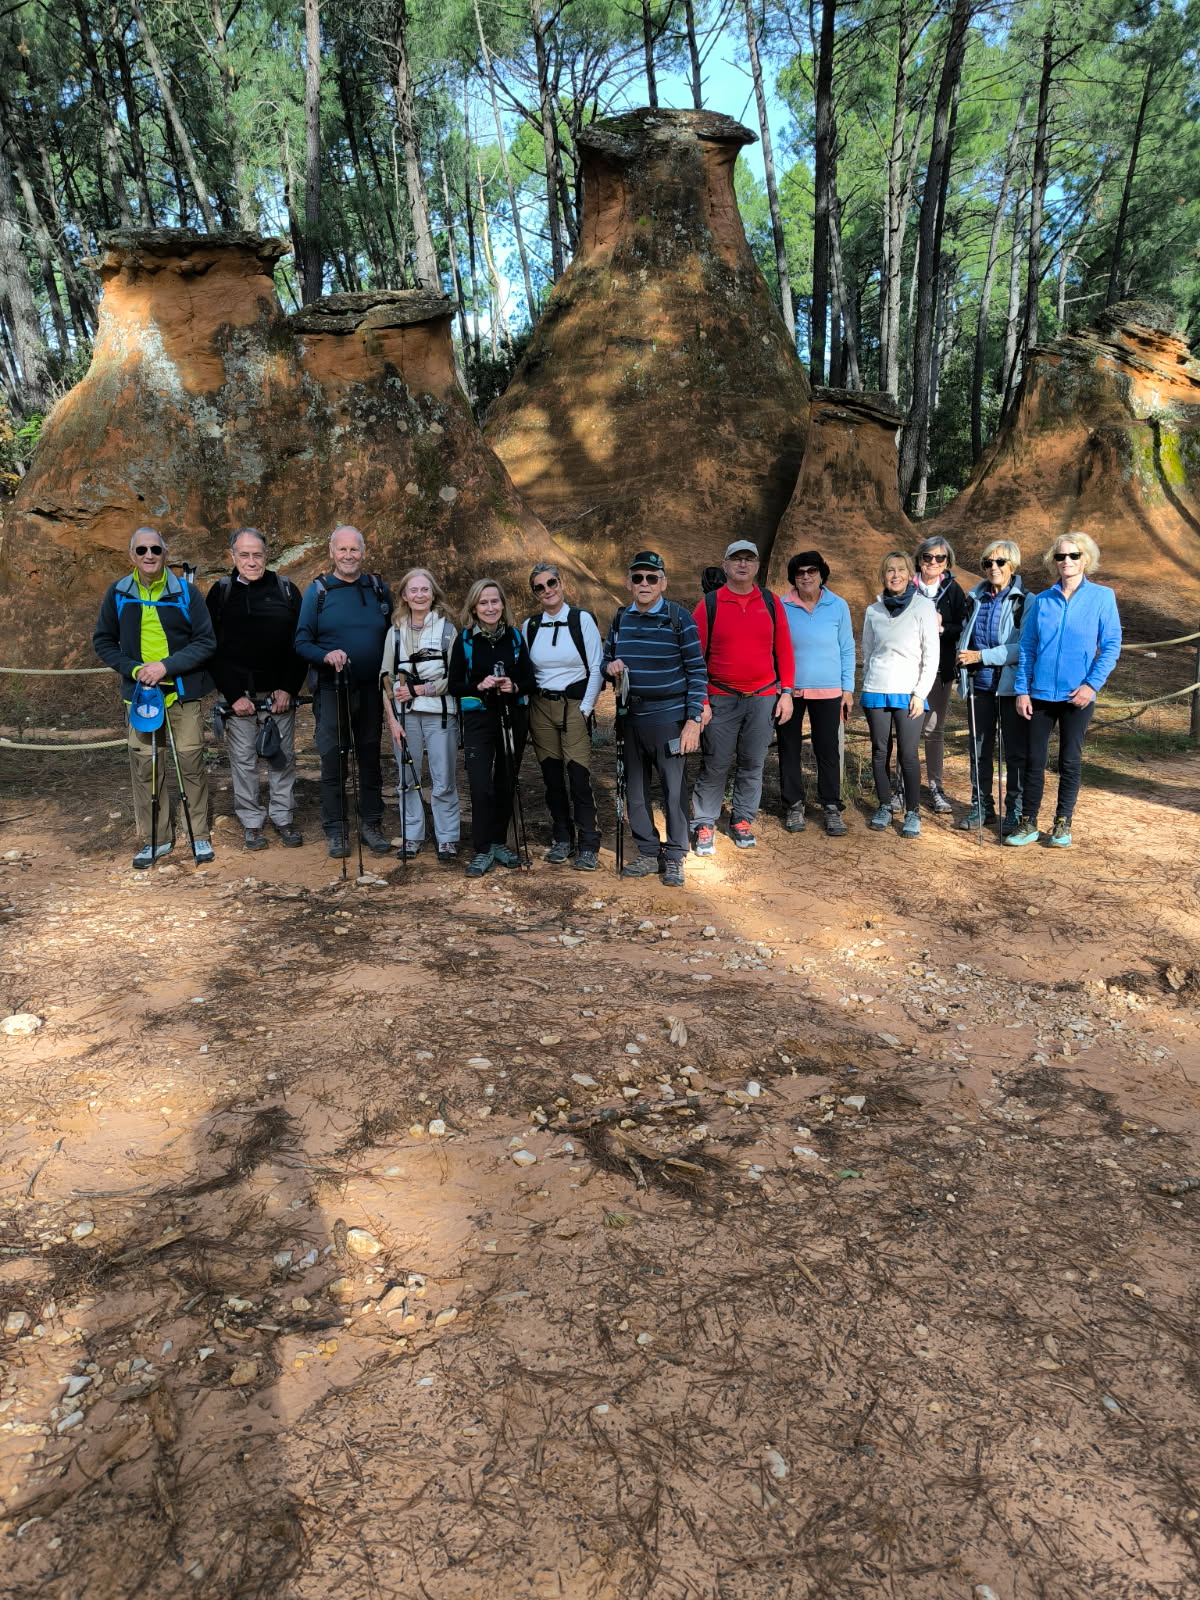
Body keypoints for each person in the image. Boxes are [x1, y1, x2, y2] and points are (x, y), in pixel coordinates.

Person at [93, 527, 217, 868]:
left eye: (155, 549)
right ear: (131, 555)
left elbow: (206, 641)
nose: (149, 555)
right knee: (146, 766)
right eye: (142, 550)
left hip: (181, 692)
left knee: (190, 762)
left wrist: (166, 666)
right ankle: (156, 839)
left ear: (165, 553)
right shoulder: (119, 593)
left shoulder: (185, 592)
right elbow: (103, 641)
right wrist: (134, 669)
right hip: (140, 695)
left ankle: (199, 834)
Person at [1008, 532, 1121, 848]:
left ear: (1086, 559)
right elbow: (1028, 646)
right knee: (1034, 760)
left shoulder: (1102, 597)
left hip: (1077, 696)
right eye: (1060, 556)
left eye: (1073, 555)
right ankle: (1028, 821)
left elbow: (1111, 646)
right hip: (1039, 694)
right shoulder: (1043, 600)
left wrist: (1091, 685)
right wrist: (1022, 690)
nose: (1066, 561)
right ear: (1053, 561)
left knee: (1069, 761)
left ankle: (1062, 822)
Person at [603, 550, 706, 886]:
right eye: (638, 578)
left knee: (674, 790)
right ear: (628, 583)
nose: (644, 583)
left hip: (669, 719)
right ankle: (648, 851)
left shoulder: (679, 618)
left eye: (651, 577)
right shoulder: (620, 619)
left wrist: (693, 720)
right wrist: (609, 667)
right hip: (630, 716)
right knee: (634, 790)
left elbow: (697, 671)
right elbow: (606, 659)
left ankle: (675, 855)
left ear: (663, 582)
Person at [294, 525, 394, 858]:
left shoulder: (378, 589)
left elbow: (393, 634)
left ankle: (371, 824)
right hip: (331, 688)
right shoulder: (318, 592)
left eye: (354, 549)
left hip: (371, 690)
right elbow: (301, 642)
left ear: (363, 552)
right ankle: (336, 829)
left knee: (370, 758)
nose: (348, 555)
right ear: (331, 552)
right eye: (342, 549)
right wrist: (326, 656)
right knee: (334, 760)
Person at [690, 539, 793, 853]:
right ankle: (704, 822)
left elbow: (784, 649)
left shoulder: (770, 602)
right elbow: (695, 659)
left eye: (749, 559)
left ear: (757, 566)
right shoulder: (710, 604)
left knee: (752, 763)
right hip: (721, 696)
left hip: (763, 697)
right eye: (736, 559)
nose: (743, 564)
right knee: (716, 762)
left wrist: (786, 692)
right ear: (725, 565)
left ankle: (742, 819)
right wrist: (702, 701)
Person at [206, 527, 305, 851]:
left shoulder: (286, 590)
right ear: (233, 556)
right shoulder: (221, 593)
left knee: (282, 759)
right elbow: (211, 648)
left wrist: (287, 688)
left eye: (257, 554)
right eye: (244, 555)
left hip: (279, 696)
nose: (251, 561)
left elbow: (299, 643)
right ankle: (251, 822)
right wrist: (233, 695)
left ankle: (283, 817)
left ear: (266, 555)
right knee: (243, 761)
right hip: (238, 697)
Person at [447, 578, 536, 878]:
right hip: (479, 719)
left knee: (506, 781)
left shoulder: (514, 637)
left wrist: (514, 685)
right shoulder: (466, 640)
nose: (489, 607)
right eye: (483, 602)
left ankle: (498, 842)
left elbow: (530, 679)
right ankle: (482, 848)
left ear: (502, 604)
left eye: (494, 601)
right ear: (474, 607)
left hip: (512, 717)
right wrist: (480, 684)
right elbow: (455, 685)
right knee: (480, 784)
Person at [522, 563, 604, 871]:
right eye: (539, 587)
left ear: (561, 583)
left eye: (551, 583)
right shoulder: (530, 626)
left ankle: (589, 843)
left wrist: (586, 708)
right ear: (535, 593)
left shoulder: (581, 620)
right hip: (541, 707)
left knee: (578, 775)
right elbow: (526, 671)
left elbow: (596, 666)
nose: (547, 590)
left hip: (574, 705)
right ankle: (562, 837)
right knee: (552, 777)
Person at [380, 567, 460, 864]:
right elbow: (385, 678)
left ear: (433, 593)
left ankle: (447, 837)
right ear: (404, 595)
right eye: (413, 590)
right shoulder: (394, 632)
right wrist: (391, 720)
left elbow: (455, 677)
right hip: (404, 717)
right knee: (407, 777)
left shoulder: (448, 631)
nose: (419, 595)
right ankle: (411, 835)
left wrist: (422, 690)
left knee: (444, 778)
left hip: (440, 715)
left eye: (425, 589)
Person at [860, 551, 939, 839]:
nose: (895, 575)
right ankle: (884, 805)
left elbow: (931, 655)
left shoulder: (923, 607)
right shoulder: (874, 611)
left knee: (908, 754)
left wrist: (920, 693)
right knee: (880, 752)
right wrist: (868, 682)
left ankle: (913, 812)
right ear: (883, 575)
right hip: (876, 691)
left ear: (910, 574)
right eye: (890, 570)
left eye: (901, 569)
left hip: (909, 693)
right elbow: (868, 652)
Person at [777, 549, 854, 837]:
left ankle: (831, 806)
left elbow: (847, 648)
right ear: (793, 577)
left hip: (829, 690)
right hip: (790, 691)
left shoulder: (838, 605)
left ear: (822, 574)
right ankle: (794, 804)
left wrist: (848, 688)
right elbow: (774, 648)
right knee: (789, 748)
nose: (806, 576)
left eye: (812, 571)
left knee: (827, 749)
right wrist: (780, 687)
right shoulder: (781, 605)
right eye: (800, 572)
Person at [954, 539, 1028, 836]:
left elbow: (1022, 648)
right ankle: (982, 805)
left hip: (1010, 688)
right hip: (979, 685)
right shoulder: (975, 597)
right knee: (979, 750)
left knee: (1015, 752)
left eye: (1000, 562)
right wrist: (963, 657)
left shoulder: (1025, 601)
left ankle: (1015, 811)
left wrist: (981, 656)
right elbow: (965, 635)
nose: (993, 567)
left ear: (1013, 565)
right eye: (988, 562)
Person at [911, 535, 968, 813]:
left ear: (947, 562)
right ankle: (903, 786)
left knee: (933, 729)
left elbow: (963, 626)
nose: (933, 562)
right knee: (907, 729)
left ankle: (935, 786)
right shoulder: (906, 586)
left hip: (939, 670)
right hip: (907, 670)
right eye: (927, 556)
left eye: (939, 558)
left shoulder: (953, 590)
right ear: (919, 559)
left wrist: (942, 629)